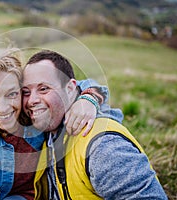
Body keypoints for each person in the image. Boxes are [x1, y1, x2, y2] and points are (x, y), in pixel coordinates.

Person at [0, 47, 123, 200]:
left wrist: (88, 98)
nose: (2, 109)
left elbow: (72, 85)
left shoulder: (36, 120)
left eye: (12, 94)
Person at [22, 50, 168, 200]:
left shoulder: (103, 146)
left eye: (44, 89)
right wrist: (90, 95)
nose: (32, 100)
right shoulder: (47, 130)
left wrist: (89, 97)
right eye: (26, 92)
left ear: (70, 89)